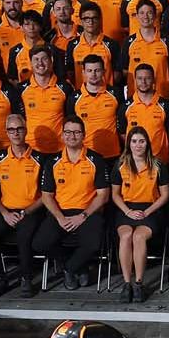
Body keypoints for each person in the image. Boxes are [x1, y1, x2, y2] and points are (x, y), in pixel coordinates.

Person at [35, 117, 111, 291]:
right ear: (62, 135)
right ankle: (78, 266)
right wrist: (60, 218)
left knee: (93, 243)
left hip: (88, 212)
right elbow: (47, 196)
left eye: (76, 132)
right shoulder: (52, 162)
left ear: (83, 135)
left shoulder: (96, 160)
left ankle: (69, 268)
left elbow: (103, 196)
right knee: (40, 243)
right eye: (68, 132)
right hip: (60, 212)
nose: (72, 136)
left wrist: (83, 216)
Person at [0, 114, 47, 297]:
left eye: (19, 129)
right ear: (6, 132)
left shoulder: (40, 158)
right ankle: (0, 278)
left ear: (26, 130)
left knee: (24, 235)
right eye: (11, 129)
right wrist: (4, 213)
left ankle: (26, 278)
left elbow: (47, 195)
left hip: (32, 210)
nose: (16, 133)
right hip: (6, 211)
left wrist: (26, 211)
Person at [114, 126, 169, 302]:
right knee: (126, 236)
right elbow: (115, 194)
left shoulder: (158, 165)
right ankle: (126, 283)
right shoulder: (120, 165)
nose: (138, 145)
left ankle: (138, 284)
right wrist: (128, 211)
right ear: (128, 143)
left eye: (142, 141)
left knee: (138, 237)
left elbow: (165, 195)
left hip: (151, 209)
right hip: (126, 208)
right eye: (134, 141)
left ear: (147, 143)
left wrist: (146, 212)